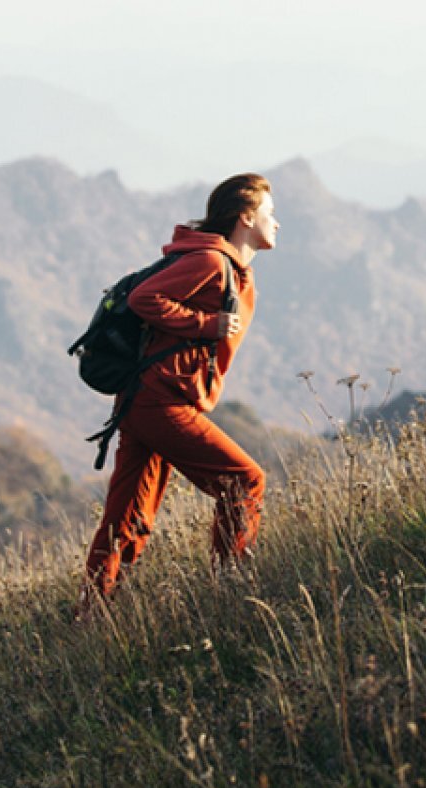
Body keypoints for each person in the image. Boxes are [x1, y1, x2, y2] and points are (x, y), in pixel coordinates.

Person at [78, 173, 278, 616]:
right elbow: (144, 298)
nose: (276, 222)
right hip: (159, 402)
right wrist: (205, 325)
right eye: (269, 212)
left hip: (144, 400)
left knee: (126, 518)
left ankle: (90, 616)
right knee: (244, 481)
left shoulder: (225, 266)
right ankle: (231, 594)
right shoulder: (210, 262)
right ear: (246, 217)